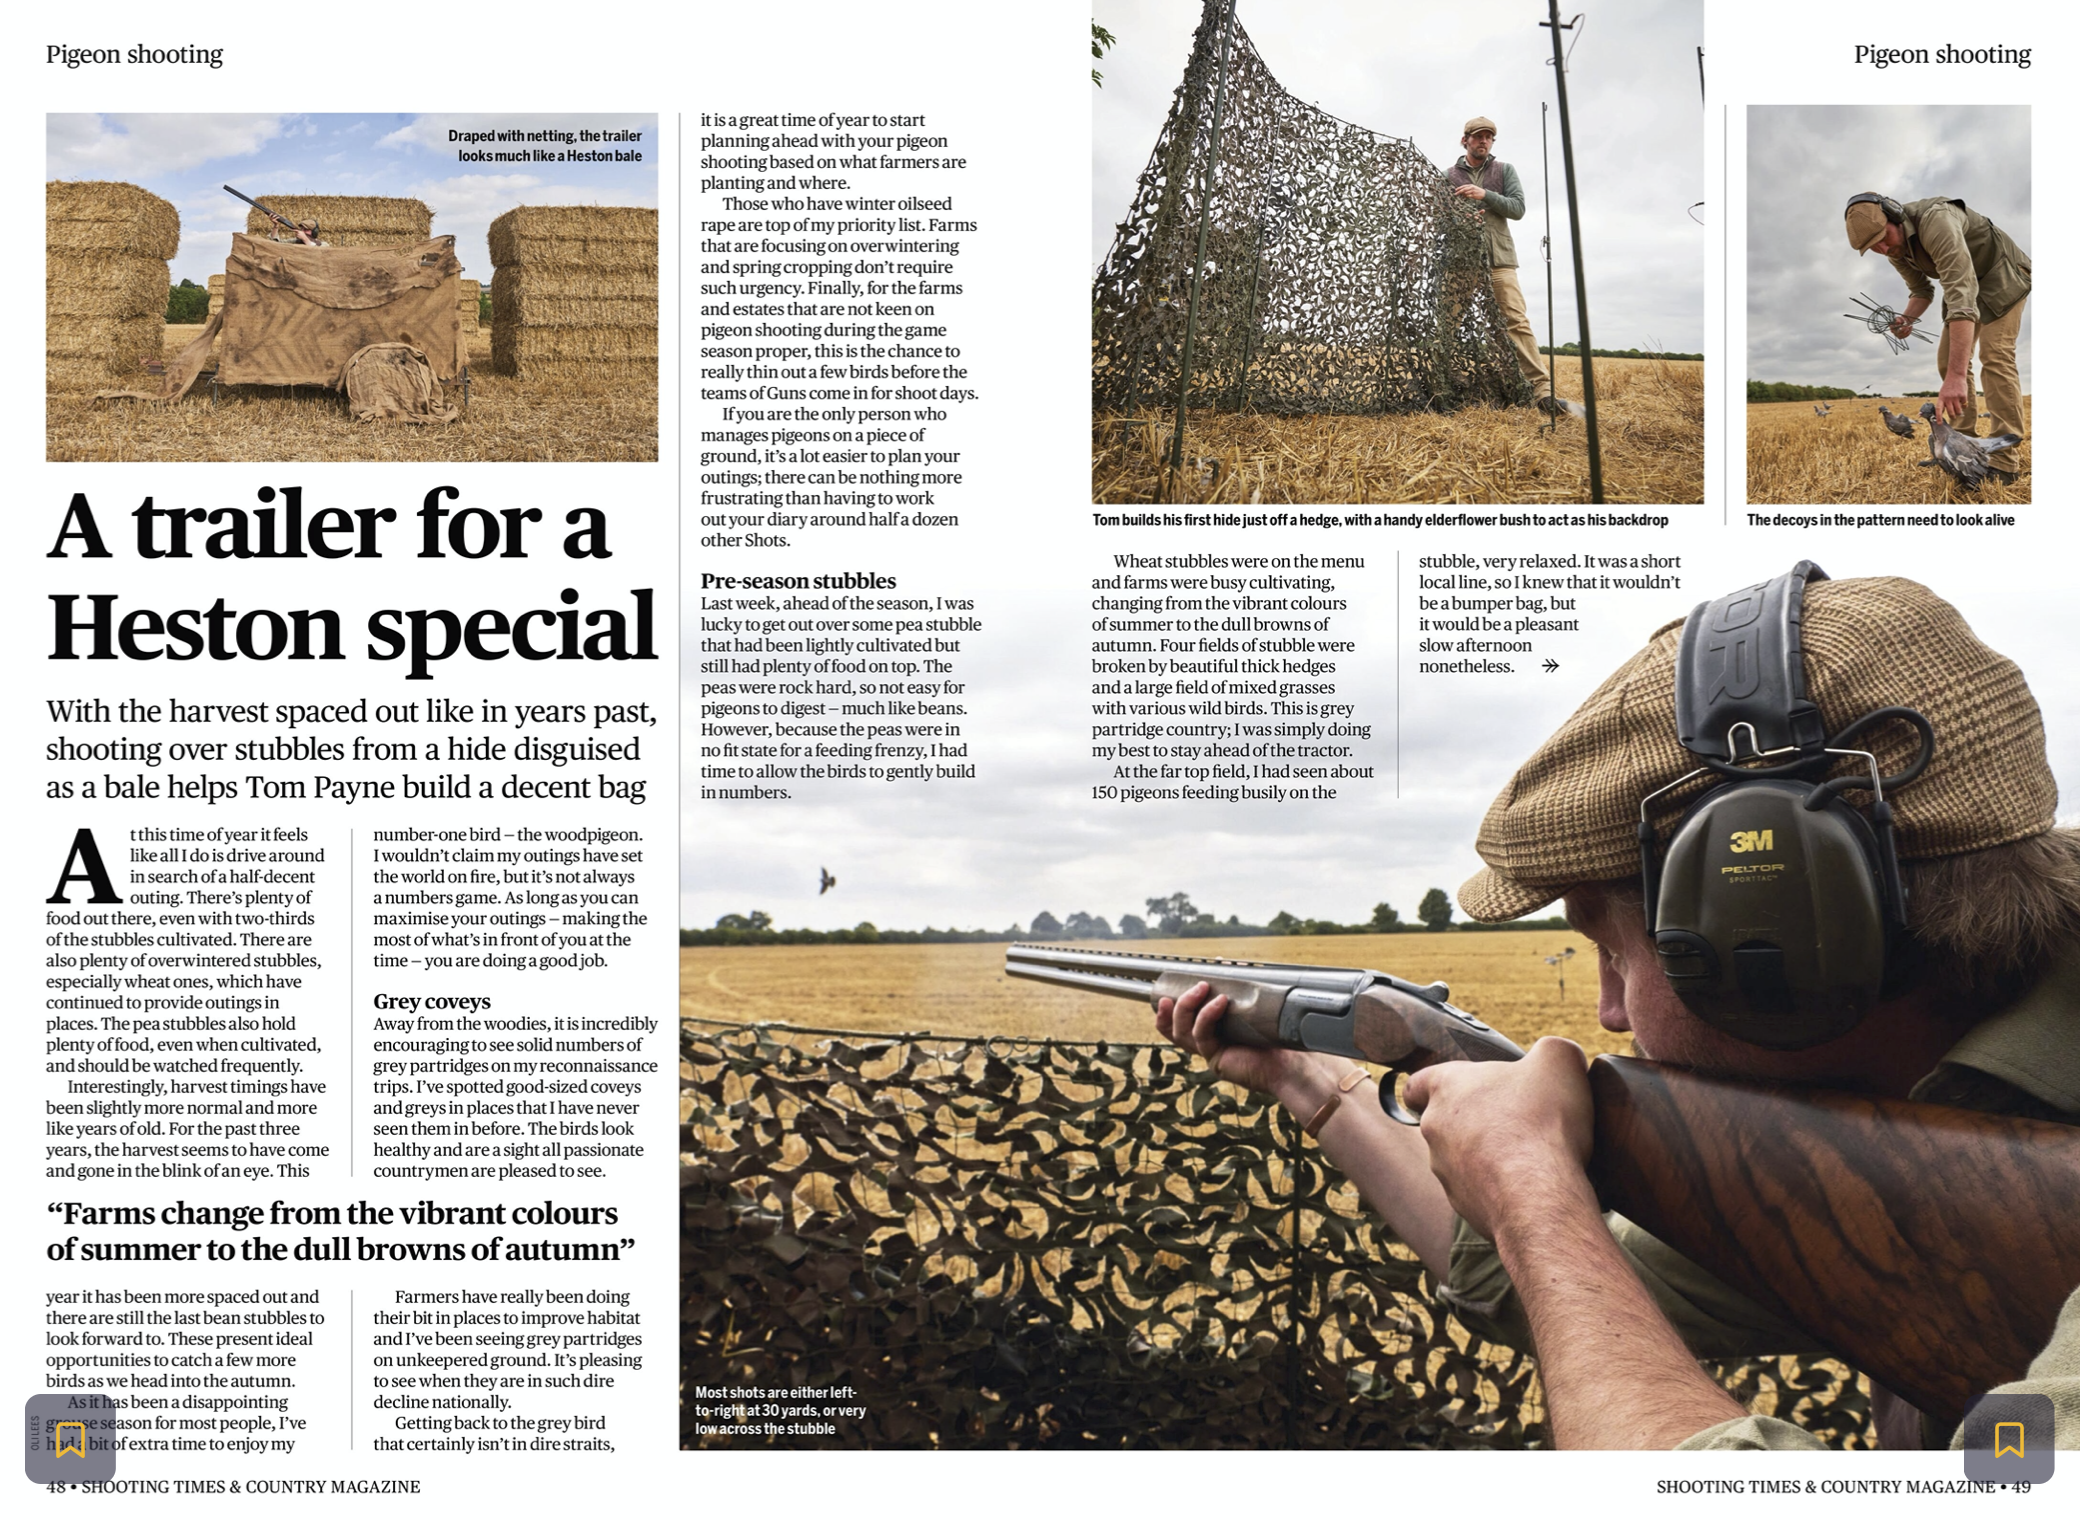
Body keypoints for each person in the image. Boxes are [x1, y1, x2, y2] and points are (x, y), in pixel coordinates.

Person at [1157, 572, 2080, 1449]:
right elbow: (1537, 1286)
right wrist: (1316, 1081)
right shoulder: (1940, 1129)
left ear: (1778, 934)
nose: (1606, 1012)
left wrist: (1532, 1192)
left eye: (1614, 948)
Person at [1845, 194, 2030, 442]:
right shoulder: (1894, 252)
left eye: (1882, 238)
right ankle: (1962, 446)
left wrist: (1956, 378)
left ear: (1895, 215)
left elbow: (1961, 296)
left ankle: (2004, 457)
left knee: (1995, 355)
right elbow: (1921, 291)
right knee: (1947, 361)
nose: (1884, 249)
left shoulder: (1936, 221)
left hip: (2002, 274)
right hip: (1964, 285)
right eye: (1873, 248)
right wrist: (1906, 319)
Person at [1444, 116, 1555, 412]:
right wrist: (1459, 218)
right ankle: (1439, 385)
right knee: (1447, 324)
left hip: (1500, 260)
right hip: (1460, 262)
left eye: (1488, 137)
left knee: (1517, 322)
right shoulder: (1448, 176)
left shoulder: (1504, 170)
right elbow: (1436, 219)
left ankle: (1542, 393)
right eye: (1477, 136)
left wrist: (1486, 195)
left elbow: (1518, 208)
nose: (1483, 141)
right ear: (1464, 140)